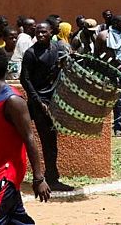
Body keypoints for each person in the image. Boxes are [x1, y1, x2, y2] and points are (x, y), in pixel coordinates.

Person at [0, 47, 50, 224]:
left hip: (5, 175)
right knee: (16, 220)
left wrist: (39, 178)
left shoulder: (12, 100)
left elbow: (29, 138)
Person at [19, 23, 73, 192]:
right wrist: (37, 101)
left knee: (51, 142)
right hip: (39, 103)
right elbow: (24, 79)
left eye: (43, 32)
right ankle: (51, 179)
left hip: (54, 100)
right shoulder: (31, 53)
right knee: (47, 141)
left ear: (51, 33)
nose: (40, 35)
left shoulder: (57, 48)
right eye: (38, 32)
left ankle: (52, 177)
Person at [99, 16, 121, 136]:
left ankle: (118, 127)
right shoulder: (103, 36)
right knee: (103, 100)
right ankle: (101, 128)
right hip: (106, 72)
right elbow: (97, 54)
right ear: (116, 23)